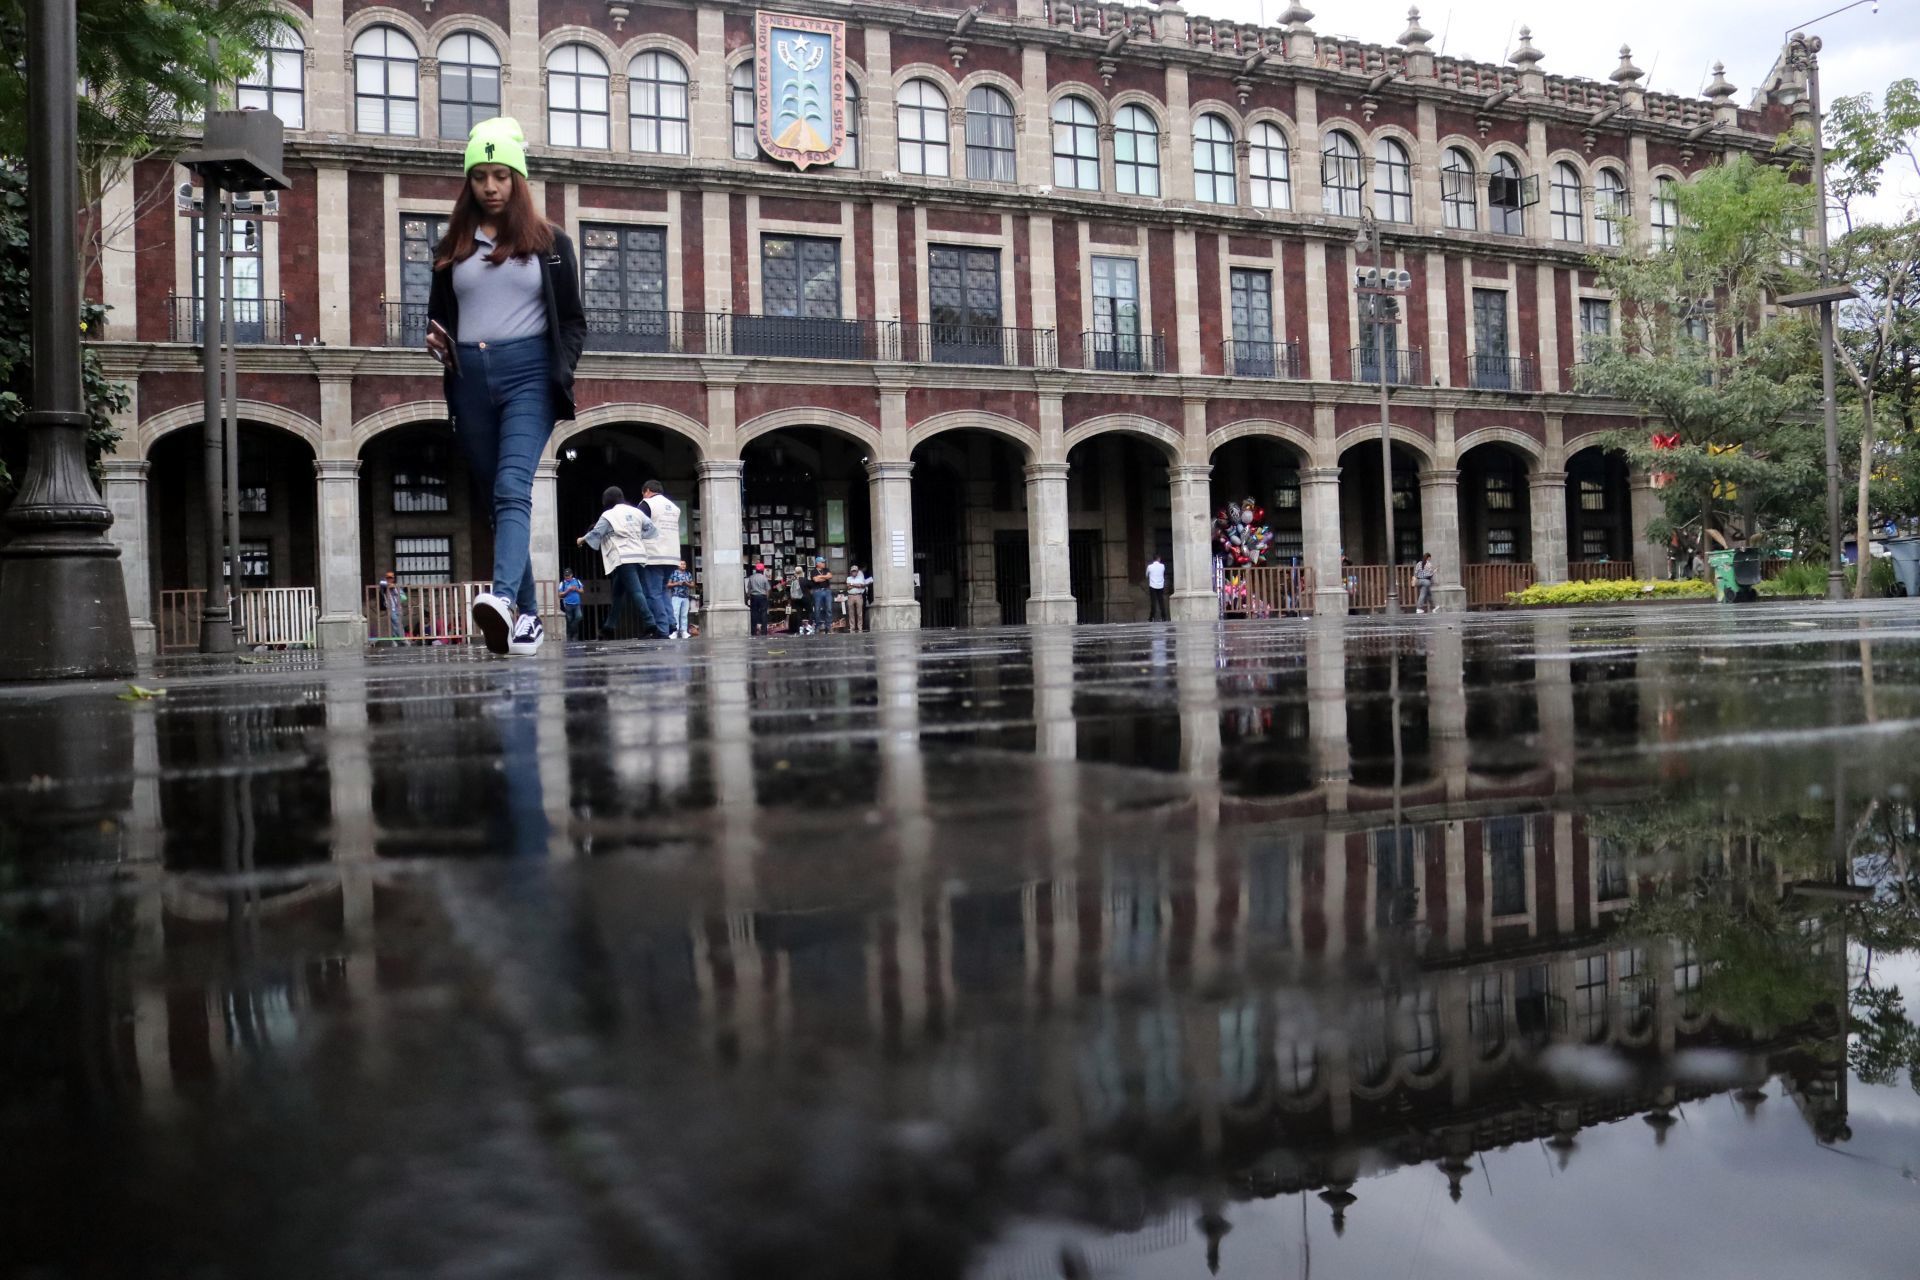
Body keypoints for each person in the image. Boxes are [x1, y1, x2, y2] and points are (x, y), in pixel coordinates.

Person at [425, 116, 585, 657]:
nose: (490, 186)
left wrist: (560, 370)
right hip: (470, 378)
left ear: (518, 180)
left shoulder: (550, 242)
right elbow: (440, 315)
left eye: (501, 175)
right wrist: (438, 340)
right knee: (498, 499)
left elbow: (573, 321)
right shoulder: (452, 245)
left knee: (514, 485)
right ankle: (530, 621)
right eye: (480, 176)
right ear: (468, 182)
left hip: (528, 376)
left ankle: (500, 601)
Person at [576, 485, 659, 640]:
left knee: (636, 592)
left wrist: (581, 540)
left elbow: (597, 532)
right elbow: (652, 529)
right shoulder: (636, 511)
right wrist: (635, 535)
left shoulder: (609, 515)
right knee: (618, 594)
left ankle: (651, 625)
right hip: (639, 555)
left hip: (623, 557)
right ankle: (608, 628)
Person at [634, 479, 681, 639]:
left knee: (653, 593)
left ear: (647, 491)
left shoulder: (647, 504)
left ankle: (661, 629)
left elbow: (636, 524)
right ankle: (670, 623)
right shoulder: (674, 507)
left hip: (654, 554)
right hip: (672, 555)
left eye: (643, 493)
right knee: (663, 591)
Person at [666, 559, 696, 640]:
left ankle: (684, 632)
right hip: (676, 596)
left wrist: (687, 584)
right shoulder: (674, 573)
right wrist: (677, 583)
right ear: (678, 565)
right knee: (675, 614)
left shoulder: (688, 574)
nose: (683, 565)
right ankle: (675, 631)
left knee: (684, 614)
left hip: (685, 597)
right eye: (681, 564)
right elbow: (668, 584)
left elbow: (693, 585)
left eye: (684, 564)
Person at [379, 570, 408, 640]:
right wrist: (389, 585)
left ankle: (395, 640)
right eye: (388, 578)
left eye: (391, 578)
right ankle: (403, 639)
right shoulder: (384, 586)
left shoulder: (396, 587)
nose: (389, 579)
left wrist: (395, 589)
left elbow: (404, 597)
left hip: (398, 608)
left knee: (397, 624)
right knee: (397, 623)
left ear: (393, 578)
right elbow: (381, 583)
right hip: (391, 608)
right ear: (386, 578)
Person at [746, 562, 772, 635]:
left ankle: (753, 630)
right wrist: (767, 598)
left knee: (754, 613)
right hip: (762, 596)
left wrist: (748, 597)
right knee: (764, 613)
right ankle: (764, 631)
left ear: (755, 570)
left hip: (754, 596)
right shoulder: (764, 578)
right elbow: (768, 589)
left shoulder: (751, 577)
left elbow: (749, 589)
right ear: (762, 570)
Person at [809, 557, 835, 633]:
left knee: (829, 608)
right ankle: (817, 626)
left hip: (827, 590)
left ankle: (828, 626)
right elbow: (815, 580)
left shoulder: (827, 569)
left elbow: (830, 576)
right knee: (817, 609)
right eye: (822, 562)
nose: (824, 563)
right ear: (818, 564)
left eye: (824, 562)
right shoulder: (813, 571)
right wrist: (825, 577)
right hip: (817, 591)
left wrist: (820, 576)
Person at [557, 569, 584, 640]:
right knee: (570, 620)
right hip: (568, 604)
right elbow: (560, 595)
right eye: (566, 576)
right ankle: (573, 636)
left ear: (571, 575)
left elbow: (582, 591)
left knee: (579, 617)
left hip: (577, 604)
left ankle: (571, 633)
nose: (567, 577)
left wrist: (576, 589)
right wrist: (568, 590)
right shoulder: (562, 583)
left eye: (568, 576)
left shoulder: (577, 581)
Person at [844, 563, 870, 633]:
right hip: (851, 595)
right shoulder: (848, 578)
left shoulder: (860, 578)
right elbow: (848, 587)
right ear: (851, 572)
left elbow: (861, 585)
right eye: (853, 571)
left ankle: (860, 628)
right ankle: (852, 627)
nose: (854, 572)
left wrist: (852, 584)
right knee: (851, 613)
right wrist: (856, 585)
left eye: (855, 571)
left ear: (857, 571)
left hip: (858, 595)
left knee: (859, 613)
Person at [1145, 554, 1169, 621]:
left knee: (1153, 602)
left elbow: (1146, 575)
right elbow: (1162, 572)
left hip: (1152, 586)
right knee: (1161, 601)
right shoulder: (1162, 566)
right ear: (1158, 559)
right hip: (1160, 586)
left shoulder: (1150, 567)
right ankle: (1164, 617)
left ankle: (1151, 617)